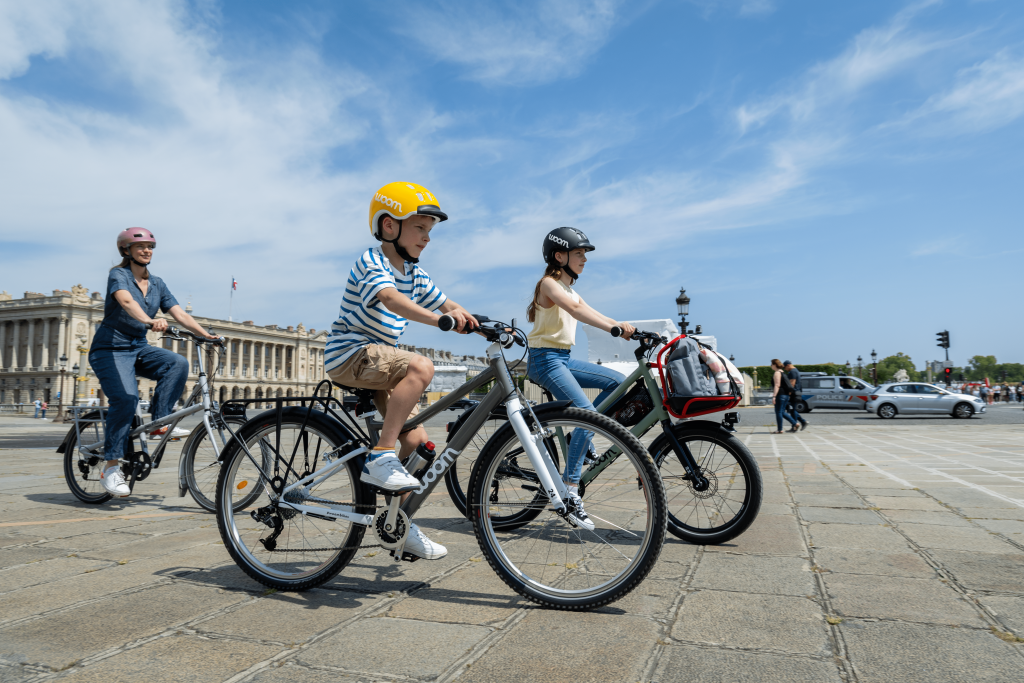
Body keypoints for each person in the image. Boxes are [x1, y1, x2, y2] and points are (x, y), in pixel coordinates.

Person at [324, 182, 477, 560]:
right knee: (422, 366)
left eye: (430, 230)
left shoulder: (414, 272)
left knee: (420, 446)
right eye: (420, 228)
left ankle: (399, 525)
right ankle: (380, 455)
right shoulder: (371, 262)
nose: (427, 238)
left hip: (380, 363)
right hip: (351, 354)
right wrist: (440, 320)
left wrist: (480, 323)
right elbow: (391, 299)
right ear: (389, 226)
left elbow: (446, 303)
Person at [89, 228, 220, 498]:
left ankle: (160, 422)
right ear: (126, 250)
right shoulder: (119, 275)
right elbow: (126, 301)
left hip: (138, 347)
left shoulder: (158, 283)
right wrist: (149, 320)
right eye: (140, 247)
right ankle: (111, 468)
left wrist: (206, 335)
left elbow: (180, 314)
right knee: (126, 400)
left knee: (177, 363)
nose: (146, 250)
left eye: (150, 246)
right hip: (110, 349)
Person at [525, 227, 636, 531]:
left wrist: (624, 327)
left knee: (617, 383)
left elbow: (589, 310)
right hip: (544, 360)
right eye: (579, 253)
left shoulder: (570, 288)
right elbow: (574, 310)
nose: (584, 259)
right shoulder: (549, 284)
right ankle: (570, 491)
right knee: (587, 415)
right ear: (559, 256)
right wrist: (612, 330)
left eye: (585, 253)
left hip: (562, 358)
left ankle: (578, 437)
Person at [770, 359, 797, 434]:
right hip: (786, 395)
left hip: (780, 395)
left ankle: (780, 429)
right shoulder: (783, 372)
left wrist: (774, 396)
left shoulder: (777, 373)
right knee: (782, 412)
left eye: (771, 364)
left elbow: (777, 385)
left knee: (778, 412)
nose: (771, 366)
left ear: (775, 365)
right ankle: (794, 423)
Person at [783, 361, 808, 432]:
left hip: (793, 393)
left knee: (792, 410)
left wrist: (789, 394)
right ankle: (802, 422)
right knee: (792, 410)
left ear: (788, 365)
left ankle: (794, 427)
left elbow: (792, 384)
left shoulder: (792, 372)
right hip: (797, 393)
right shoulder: (796, 370)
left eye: (785, 367)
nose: (785, 369)